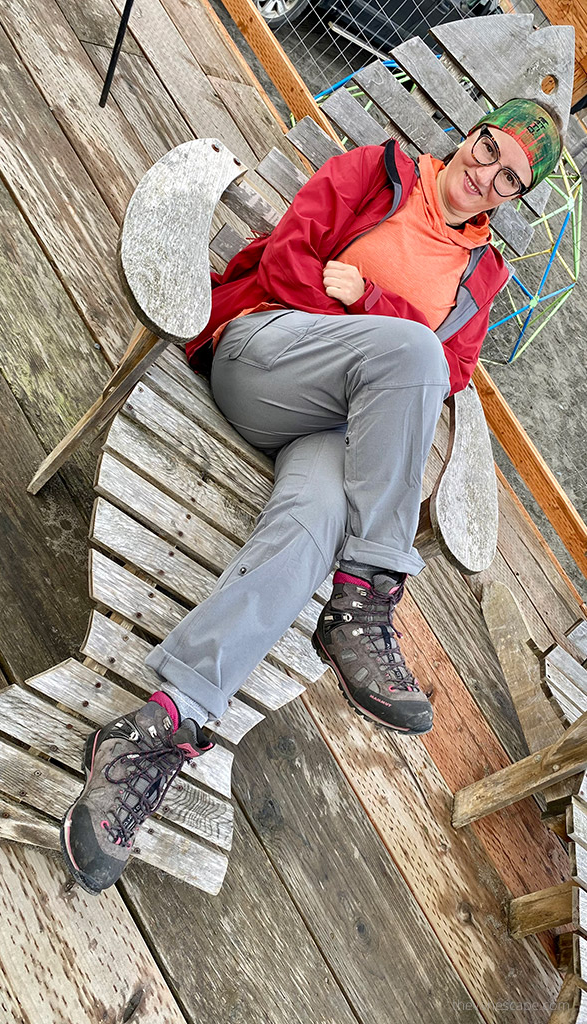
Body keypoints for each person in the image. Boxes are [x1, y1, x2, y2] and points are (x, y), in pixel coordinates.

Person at [61, 98, 563, 894]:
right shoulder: (377, 173)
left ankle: (160, 724)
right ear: (469, 133)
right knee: (411, 358)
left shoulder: (482, 276)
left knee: (317, 521)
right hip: (264, 357)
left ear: (510, 195)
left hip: (332, 434)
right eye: (487, 147)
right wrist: (384, 335)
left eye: (508, 178)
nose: (484, 175)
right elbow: (292, 260)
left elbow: (450, 374)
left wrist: (370, 299)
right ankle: (366, 599)